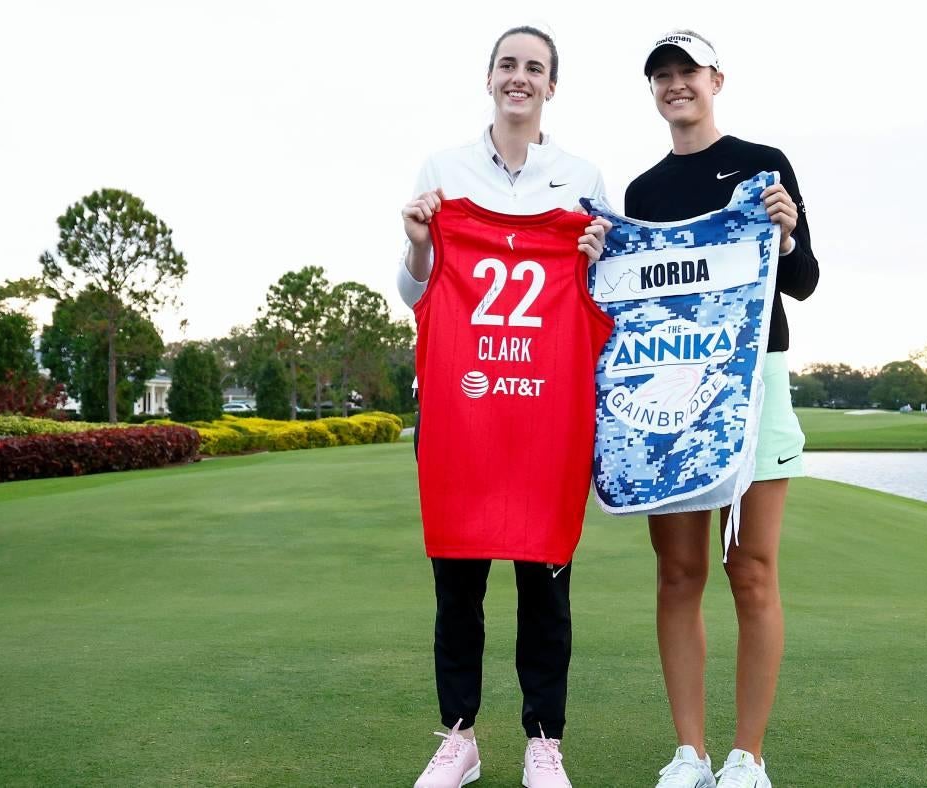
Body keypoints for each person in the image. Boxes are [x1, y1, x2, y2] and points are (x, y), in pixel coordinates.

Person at [396, 25, 610, 788]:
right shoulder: (443, 171)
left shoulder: (582, 178)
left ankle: (543, 739)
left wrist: (590, 263)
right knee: (458, 586)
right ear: (489, 78)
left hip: (546, 417)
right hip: (463, 415)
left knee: (544, 590)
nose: (520, 77)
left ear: (552, 86)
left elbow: (601, 303)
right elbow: (417, 293)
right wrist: (424, 240)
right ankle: (459, 735)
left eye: (535, 68)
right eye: (508, 65)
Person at [623, 30, 820, 788]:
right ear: (654, 91)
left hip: (756, 382)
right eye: (662, 76)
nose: (676, 85)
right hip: (670, 388)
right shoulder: (644, 193)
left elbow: (799, 282)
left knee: (753, 570)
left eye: (688, 73)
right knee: (678, 572)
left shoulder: (765, 165)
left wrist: (788, 228)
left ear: (716, 80)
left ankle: (748, 757)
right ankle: (689, 753)